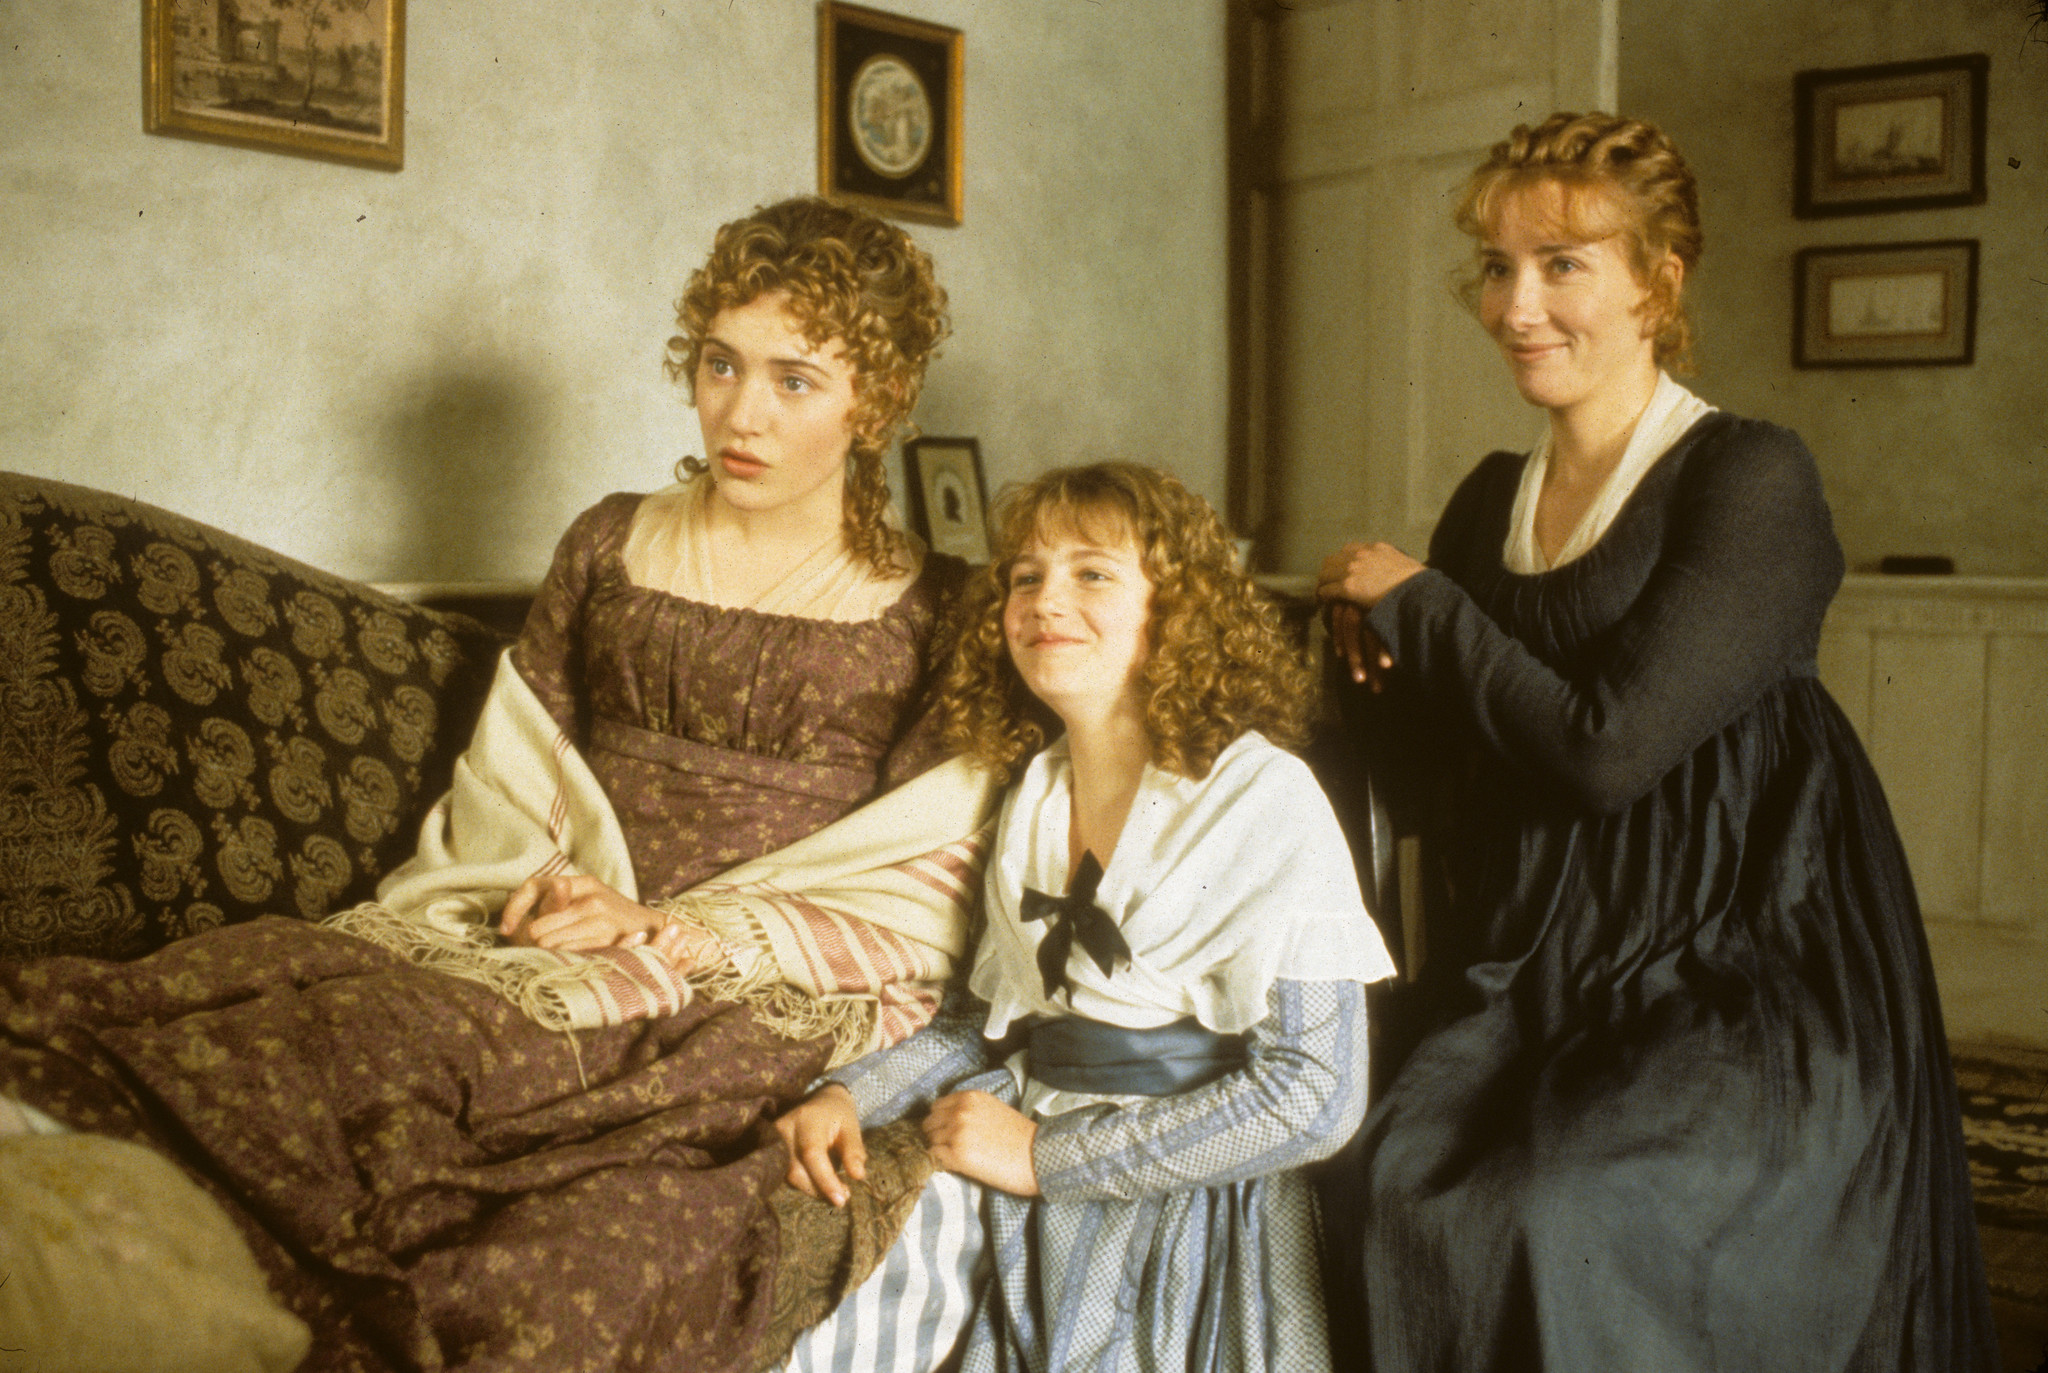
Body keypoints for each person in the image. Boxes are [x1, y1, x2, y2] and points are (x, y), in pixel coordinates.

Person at [0, 197, 992, 1373]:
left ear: (873, 402)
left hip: (753, 987)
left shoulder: (942, 608)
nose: (740, 411)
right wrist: (552, 890)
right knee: (318, 1032)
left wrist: (670, 933)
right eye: (720, 363)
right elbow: (518, 761)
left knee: (569, 1240)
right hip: (549, 914)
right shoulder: (611, 540)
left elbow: (920, 870)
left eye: (795, 381)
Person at [1313, 112, 1997, 1371]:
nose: (1517, 305)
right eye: (1497, 267)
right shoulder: (1482, 500)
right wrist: (1366, 661)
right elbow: (1428, 781)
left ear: (1657, 281)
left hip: (1740, 960)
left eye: (1561, 263)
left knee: (1560, 1199)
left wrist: (1418, 604)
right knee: (1362, 1162)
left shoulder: (1747, 475)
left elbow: (1601, 749)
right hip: (1531, 959)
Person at [775, 462, 1398, 1373]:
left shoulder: (1261, 796)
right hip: (1023, 1169)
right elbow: (980, 1024)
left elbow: (1314, 1097)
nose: (1044, 600)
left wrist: (1050, 1158)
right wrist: (845, 1094)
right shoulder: (1037, 790)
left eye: (1092, 572)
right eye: (1025, 575)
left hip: (1187, 1212)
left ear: (1174, 610)